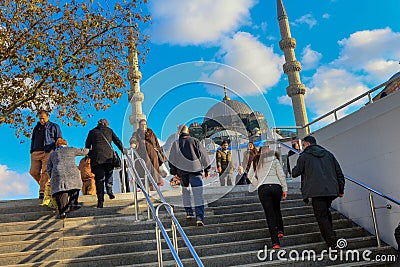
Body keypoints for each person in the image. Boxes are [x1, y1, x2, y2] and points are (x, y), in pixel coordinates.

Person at [291, 135, 345, 248]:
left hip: (315, 191)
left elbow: (296, 172)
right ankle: (331, 236)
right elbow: (339, 172)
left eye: (304, 145)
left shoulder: (304, 156)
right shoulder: (328, 154)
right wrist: (341, 189)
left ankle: (332, 242)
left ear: (308, 144)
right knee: (325, 213)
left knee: (321, 216)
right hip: (331, 190)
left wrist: (292, 169)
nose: (303, 147)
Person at [168, 125, 211, 226]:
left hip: (182, 172)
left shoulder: (175, 144)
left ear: (179, 133)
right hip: (195, 171)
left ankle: (189, 213)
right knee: (198, 195)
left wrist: (174, 173)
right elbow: (203, 155)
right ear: (188, 132)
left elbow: (172, 160)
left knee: (186, 193)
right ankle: (199, 217)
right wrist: (207, 169)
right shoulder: (195, 141)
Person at [248, 143, 288, 249]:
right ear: (269, 150)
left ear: (260, 151)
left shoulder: (256, 161)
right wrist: (285, 189)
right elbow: (281, 174)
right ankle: (280, 230)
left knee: (269, 215)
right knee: (277, 209)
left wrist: (258, 184)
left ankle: (276, 242)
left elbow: (250, 175)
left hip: (263, 188)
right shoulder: (274, 160)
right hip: (276, 186)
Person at [85, 119, 125, 208]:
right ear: (106, 124)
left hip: (97, 158)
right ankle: (109, 189)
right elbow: (117, 141)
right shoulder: (109, 131)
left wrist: (88, 154)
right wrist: (123, 149)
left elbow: (87, 145)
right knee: (109, 174)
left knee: (99, 179)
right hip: (108, 157)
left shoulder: (92, 132)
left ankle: (100, 201)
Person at [47, 138, 89, 219]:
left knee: (61, 192)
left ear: (57, 145)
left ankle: (62, 212)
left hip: (58, 174)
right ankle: (73, 204)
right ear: (66, 144)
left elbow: (48, 167)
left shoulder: (53, 154)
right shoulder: (71, 149)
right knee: (74, 188)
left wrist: (52, 176)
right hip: (72, 173)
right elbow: (84, 151)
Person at [29, 110, 62, 199]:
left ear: (48, 117)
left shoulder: (54, 126)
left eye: (43, 118)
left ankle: (42, 191)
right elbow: (33, 140)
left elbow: (59, 138)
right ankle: (45, 186)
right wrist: (32, 151)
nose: (41, 120)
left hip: (48, 151)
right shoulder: (36, 128)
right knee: (33, 172)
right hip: (36, 152)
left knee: (45, 171)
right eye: (40, 119)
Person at [130, 119, 165, 187]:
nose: (143, 126)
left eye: (144, 124)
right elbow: (133, 139)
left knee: (155, 171)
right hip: (143, 155)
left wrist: (160, 154)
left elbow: (156, 144)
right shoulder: (136, 133)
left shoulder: (151, 133)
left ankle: (155, 186)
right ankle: (148, 186)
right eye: (141, 124)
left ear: (146, 125)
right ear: (139, 126)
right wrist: (133, 143)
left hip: (153, 155)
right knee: (145, 170)